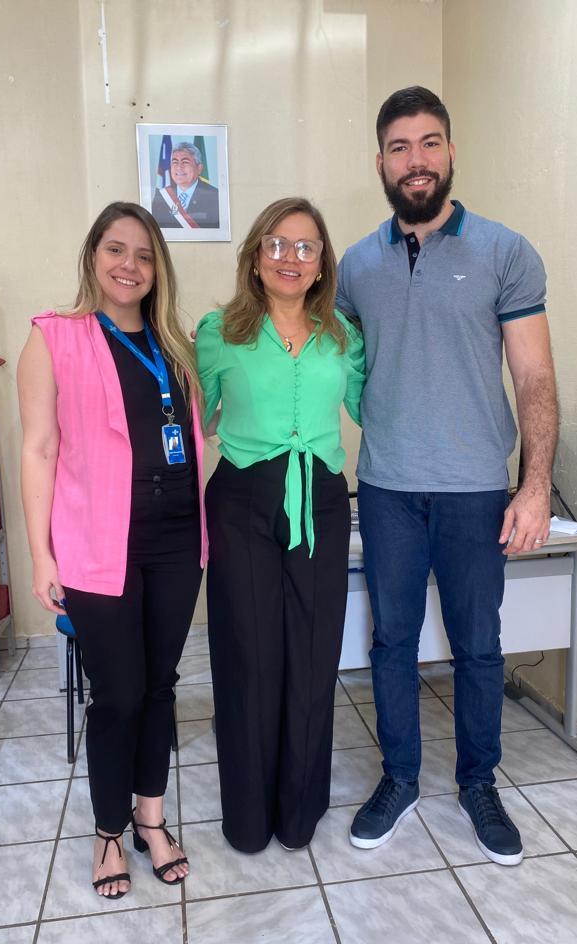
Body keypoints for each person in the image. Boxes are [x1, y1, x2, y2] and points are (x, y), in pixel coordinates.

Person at [337, 87, 558, 866]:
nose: (416, 160)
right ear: (381, 162)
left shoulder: (504, 251)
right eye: (400, 147)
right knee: (391, 641)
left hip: (474, 489)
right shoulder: (355, 267)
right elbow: (338, 363)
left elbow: (533, 379)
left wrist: (534, 487)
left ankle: (478, 784)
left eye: (430, 143)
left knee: (478, 646)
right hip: (389, 486)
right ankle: (398, 779)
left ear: (451, 152)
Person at [18, 201, 208, 898]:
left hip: (178, 537)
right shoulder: (55, 337)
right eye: (116, 250)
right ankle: (107, 832)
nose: (130, 266)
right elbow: (38, 450)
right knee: (118, 692)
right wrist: (42, 554)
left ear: (159, 268)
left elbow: (196, 432)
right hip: (99, 542)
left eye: (144, 254)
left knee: (160, 684)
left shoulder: (175, 344)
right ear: (93, 257)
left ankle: (151, 820)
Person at [195, 197, 365, 853]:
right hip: (241, 496)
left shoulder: (344, 338)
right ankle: (247, 817)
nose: (290, 257)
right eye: (276, 244)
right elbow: (192, 415)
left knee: (313, 652)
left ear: (323, 264)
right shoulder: (218, 331)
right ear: (255, 256)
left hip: (320, 496)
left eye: (305, 247)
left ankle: (299, 812)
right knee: (248, 655)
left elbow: (375, 407)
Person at [152, 142, 220, 230]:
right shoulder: (161, 196)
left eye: (185, 162)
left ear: (199, 168)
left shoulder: (215, 196)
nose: (179, 167)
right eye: (175, 162)